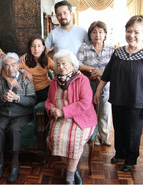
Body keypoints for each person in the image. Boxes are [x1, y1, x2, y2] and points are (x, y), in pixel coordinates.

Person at [93, 15, 143, 172]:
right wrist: (98, 91)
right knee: (119, 129)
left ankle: (130, 159)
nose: (132, 35)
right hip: (118, 99)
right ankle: (120, 153)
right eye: (129, 31)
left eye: (136, 32)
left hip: (137, 102)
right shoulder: (119, 53)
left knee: (133, 133)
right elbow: (107, 75)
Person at [45, 49, 97, 184]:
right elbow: (49, 101)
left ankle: (69, 175)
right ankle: (74, 169)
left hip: (81, 117)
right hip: (60, 119)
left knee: (75, 140)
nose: (60, 67)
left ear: (73, 65)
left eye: (64, 63)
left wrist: (62, 111)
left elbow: (85, 103)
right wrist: (51, 109)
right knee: (54, 138)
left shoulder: (82, 80)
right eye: (58, 64)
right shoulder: (54, 82)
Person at [0, 53, 37, 183]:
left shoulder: (26, 78)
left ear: (18, 65)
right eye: (7, 65)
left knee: (14, 128)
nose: (10, 68)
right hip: (5, 113)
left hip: (22, 114)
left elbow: (32, 100)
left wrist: (18, 98)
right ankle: (0, 163)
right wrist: (3, 98)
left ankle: (15, 164)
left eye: (13, 64)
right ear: (4, 67)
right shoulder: (1, 79)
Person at [77, 21, 115, 146]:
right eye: (94, 32)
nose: (97, 34)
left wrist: (101, 73)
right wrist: (92, 71)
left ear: (105, 34)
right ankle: (95, 136)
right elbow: (78, 64)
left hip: (106, 87)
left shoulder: (111, 49)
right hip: (89, 86)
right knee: (92, 112)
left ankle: (104, 136)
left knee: (104, 113)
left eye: (100, 32)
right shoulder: (84, 48)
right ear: (90, 35)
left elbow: (115, 68)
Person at [20, 0, 89, 62]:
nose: (62, 16)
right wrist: (26, 55)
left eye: (65, 13)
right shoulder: (53, 33)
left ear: (71, 14)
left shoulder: (82, 31)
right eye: (59, 14)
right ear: (56, 17)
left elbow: (93, 47)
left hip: (80, 72)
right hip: (61, 72)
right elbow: (42, 50)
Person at [18, 34, 55, 103]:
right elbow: (8, 67)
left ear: (43, 48)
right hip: (35, 91)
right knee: (51, 98)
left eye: (39, 46)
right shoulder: (24, 61)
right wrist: (23, 71)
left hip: (48, 86)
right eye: (33, 46)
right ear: (29, 48)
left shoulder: (47, 60)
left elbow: (57, 68)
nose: (36, 49)